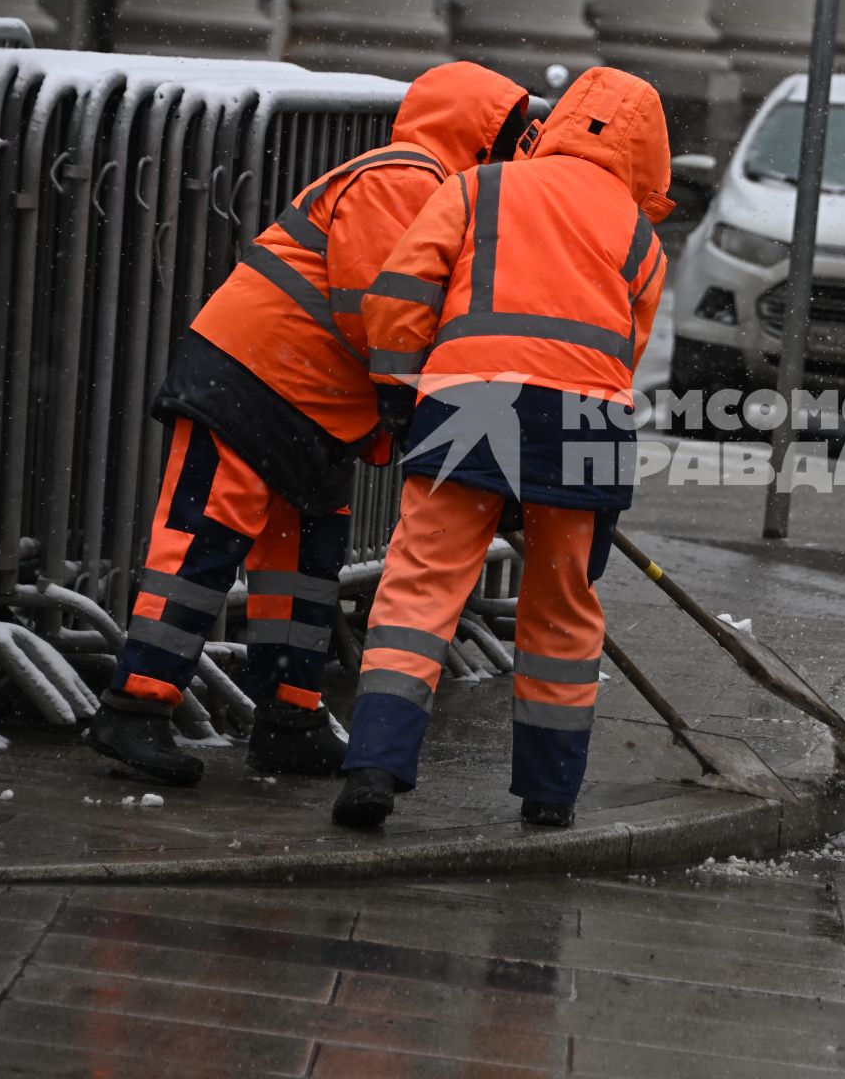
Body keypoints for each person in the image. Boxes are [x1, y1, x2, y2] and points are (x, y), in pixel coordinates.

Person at [87, 62, 534, 787]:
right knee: (199, 545)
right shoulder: (406, 180)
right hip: (251, 380)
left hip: (310, 401)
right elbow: (378, 305)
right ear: (485, 138)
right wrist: (414, 395)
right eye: (511, 139)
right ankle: (135, 707)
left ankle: (290, 719)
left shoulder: (443, 197)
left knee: (302, 566)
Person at [331, 66, 673, 831]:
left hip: (470, 398)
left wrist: (399, 382)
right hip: (589, 420)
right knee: (562, 606)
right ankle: (551, 792)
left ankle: (376, 766)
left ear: (557, 123)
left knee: (422, 587)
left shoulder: (480, 189)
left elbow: (400, 294)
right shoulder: (641, 238)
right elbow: (628, 346)